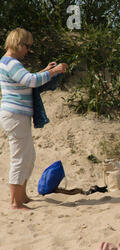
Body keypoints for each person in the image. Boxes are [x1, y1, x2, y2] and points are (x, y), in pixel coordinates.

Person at [0, 28, 67, 210]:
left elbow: (26, 79)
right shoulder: (11, 63)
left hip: (17, 116)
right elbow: (30, 81)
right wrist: (53, 72)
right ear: (19, 44)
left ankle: (21, 197)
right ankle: (16, 202)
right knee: (20, 158)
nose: (28, 50)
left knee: (27, 157)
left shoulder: (9, 63)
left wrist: (45, 70)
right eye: (27, 46)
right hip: (15, 116)